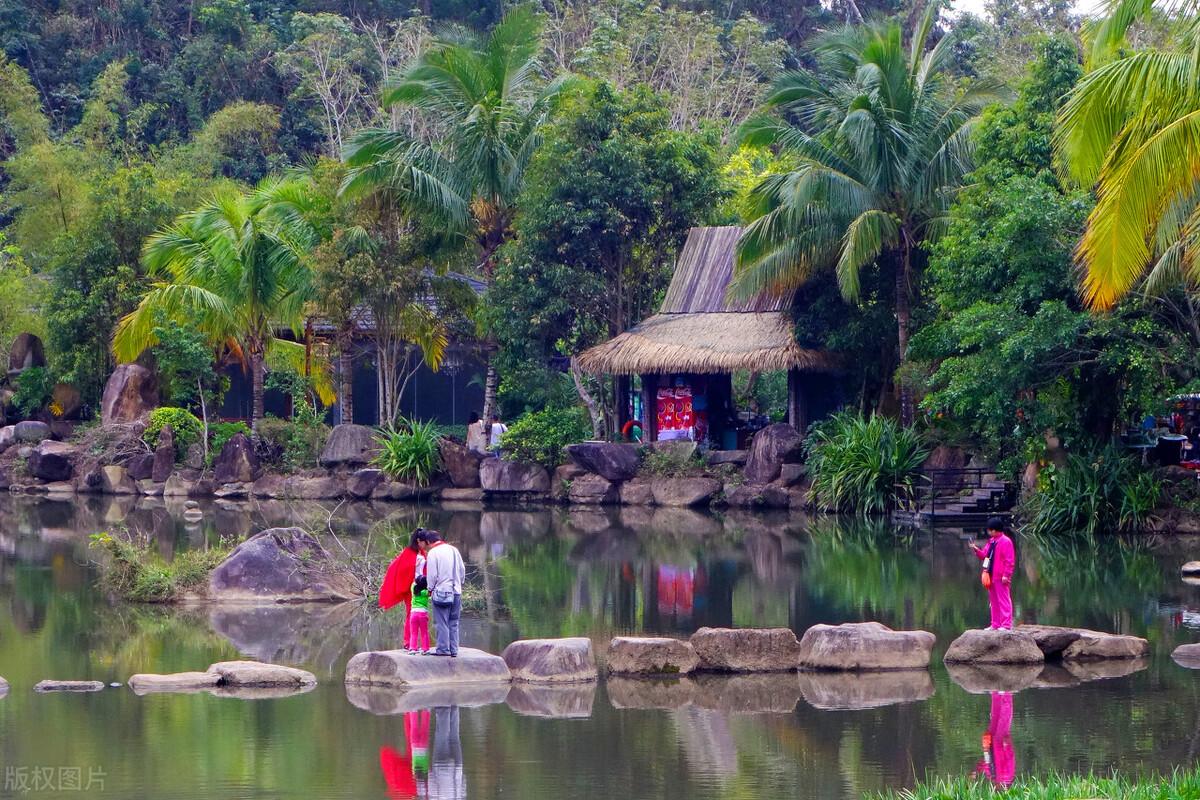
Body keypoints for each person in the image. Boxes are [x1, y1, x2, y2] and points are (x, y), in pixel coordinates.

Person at [419, 529, 465, 657]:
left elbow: (432, 575)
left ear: (428, 541)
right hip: (456, 591)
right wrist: (459, 583)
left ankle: (443, 649)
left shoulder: (433, 553)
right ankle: (454, 650)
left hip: (441, 592)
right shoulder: (454, 550)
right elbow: (462, 570)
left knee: (442, 622)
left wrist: (429, 589)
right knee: (454, 622)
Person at [970, 517, 1016, 630]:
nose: (989, 532)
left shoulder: (1006, 542)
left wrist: (1006, 575)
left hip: (1001, 576)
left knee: (1003, 600)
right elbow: (985, 556)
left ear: (994, 530)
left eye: (990, 530)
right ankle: (995, 624)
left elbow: (1009, 561)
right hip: (991, 575)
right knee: (994, 601)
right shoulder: (991, 542)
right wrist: (976, 550)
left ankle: (1006, 624)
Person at [378, 530, 421, 643]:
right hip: (410, 589)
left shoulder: (421, 552)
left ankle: (415, 642)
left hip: (421, 589)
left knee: (419, 614)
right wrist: (413, 566)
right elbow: (398, 568)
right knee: (411, 614)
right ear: (419, 540)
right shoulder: (408, 553)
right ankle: (408, 641)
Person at [972, 692, 1015, 787]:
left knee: (995, 716)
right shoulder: (1006, 777)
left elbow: (987, 764)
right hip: (1000, 744)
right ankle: (1006, 694)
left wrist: (977, 771)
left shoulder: (993, 778)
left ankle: (995, 694)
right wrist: (1007, 746)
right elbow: (1010, 760)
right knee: (1004, 717)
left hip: (992, 743)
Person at [407, 572, 431, 654]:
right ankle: (425, 649)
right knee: (424, 632)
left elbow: (414, 582)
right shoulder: (426, 592)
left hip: (413, 613)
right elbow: (431, 589)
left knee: (414, 632)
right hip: (423, 614)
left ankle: (412, 648)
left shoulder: (413, 589)